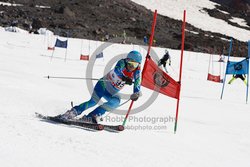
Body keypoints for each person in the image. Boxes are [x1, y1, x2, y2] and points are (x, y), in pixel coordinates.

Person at [60, 50, 142, 123]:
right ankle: (72, 112)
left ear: (138, 64)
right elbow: (117, 70)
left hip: (112, 91)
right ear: (126, 60)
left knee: (115, 102)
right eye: (129, 62)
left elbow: (137, 82)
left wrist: (136, 93)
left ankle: (92, 116)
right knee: (93, 102)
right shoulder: (122, 62)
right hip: (103, 85)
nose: (131, 66)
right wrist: (125, 78)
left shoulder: (137, 70)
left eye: (134, 64)